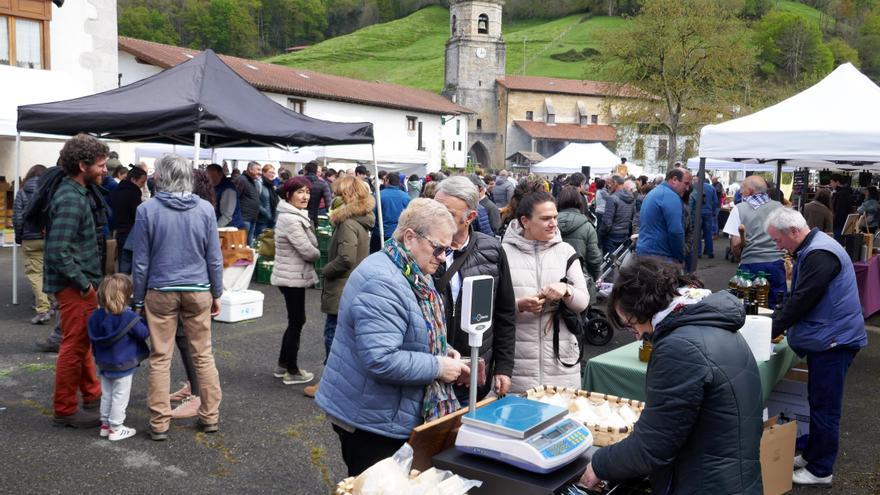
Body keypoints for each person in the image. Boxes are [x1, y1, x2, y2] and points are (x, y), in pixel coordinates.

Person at [579, 257, 763, 494]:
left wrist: (599, 464)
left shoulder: (679, 347)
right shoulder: (715, 324)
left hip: (705, 483)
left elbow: (652, 447)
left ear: (643, 307)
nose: (636, 336)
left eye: (631, 325)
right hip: (733, 477)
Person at [315, 199, 469, 476]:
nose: (443, 257)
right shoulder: (383, 281)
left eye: (448, 249)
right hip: (369, 421)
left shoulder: (407, 269)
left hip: (381, 411)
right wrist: (438, 366)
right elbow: (381, 358)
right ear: (410, 237)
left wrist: (442, 351)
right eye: (439, 248)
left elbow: (408, 332)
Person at [766, 209, 868, 487]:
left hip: (834, 341)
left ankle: (821, 470)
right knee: (819, 400)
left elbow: (802, 300)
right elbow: (801, 298)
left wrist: (769, 330)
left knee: (825, 405)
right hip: (831, 337)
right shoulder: (816, 246)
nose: (778, 246)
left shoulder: (819, 254)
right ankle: (813, 455)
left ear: (794, 232)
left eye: (778, 240)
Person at [131, 154, 224, 440]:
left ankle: (159, 422)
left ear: (161, 177)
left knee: (161, 357)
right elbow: (214, 258)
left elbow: (141, 261)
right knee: (203, 354)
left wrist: (137, 300)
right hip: (198, 290)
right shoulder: (206, 209)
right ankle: (210, 416)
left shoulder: (147, 210)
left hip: (160, 290)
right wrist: (217, 292)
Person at [44, 135, 109, 428]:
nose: (105, 170)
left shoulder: (76, 192)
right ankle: (65, 409)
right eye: (101, 165)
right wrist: (84, 285)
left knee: (82, 342)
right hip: (74, 286)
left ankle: (91, 394)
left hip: (77, 283)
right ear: (83, 165)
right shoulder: (70, 198)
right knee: (74, 347)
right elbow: (57, 250)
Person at [433, 177, 516, 403]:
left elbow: (504, 312)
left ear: (469, 217)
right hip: (431, 370)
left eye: (446, 213)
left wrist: (503, 367)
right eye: (433, 208)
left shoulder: (492, 250)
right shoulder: (420, 250)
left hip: (473, 371)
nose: (435, 217)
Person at [502, 191, 590, 393]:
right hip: (517, 360)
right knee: (521, 419)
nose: (553, 223)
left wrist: (566, 290)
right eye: (545, 219)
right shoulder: (502, 253)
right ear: (525, 221)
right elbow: (490, 306)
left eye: (555, 217)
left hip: (561, 357)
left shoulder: (566, 251)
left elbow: (583, 302)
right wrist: (519, 305)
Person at [305, 176, 377, 398]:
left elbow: (346, 258)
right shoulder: (361, 220)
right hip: (351, 285)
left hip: (342, 286)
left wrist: (325, 271)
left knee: (333, 336)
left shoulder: (347, 223)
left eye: (338, 193)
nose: (334, 197)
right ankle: (339, 382)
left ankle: (329, 383)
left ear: (347, 196)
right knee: (343, 336)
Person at [87, 274, 150, 442]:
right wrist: (144, 319)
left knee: (107, 395)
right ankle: (116, 428)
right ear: (127, 294)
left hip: (103, 363)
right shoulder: (128, 317)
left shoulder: (95, 316)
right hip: (124, 364)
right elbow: (143, 333)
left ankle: (105, 425)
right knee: (119, 397)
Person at [271, 177, 320, 386]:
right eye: (300, 192)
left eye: (307, 192)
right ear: (288, 195)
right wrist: (318, 253)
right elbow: (308, 251)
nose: (305, 196)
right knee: (297, 321)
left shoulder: (292, 214)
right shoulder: (290, 219)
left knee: (295, 320)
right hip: (292, 277)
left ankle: (283, 364)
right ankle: (292, 369)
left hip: (292, 275)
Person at [722, 175, 786, 306]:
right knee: (777, 306)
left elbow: (735, 243)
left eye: (742, 188)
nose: (740, 191)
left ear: (750, 191)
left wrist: (740, 258)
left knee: (749, 306)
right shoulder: (779, 207)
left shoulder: (739, 209)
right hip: (776, 263)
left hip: (750, 263)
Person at [13, 164, 52, 324]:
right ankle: (52, 303)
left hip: (30, 239)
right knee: (50, 272)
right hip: (50, 238)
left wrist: (19, 237)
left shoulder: (22, 193)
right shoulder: (50, 192)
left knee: (35, 274)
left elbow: (18, 218)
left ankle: (43, 309)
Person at [636, 168, 690, 264]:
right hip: (660, 257)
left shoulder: (655, 192)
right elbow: (675, 232)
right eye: (686, 183)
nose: (687, 188)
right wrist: (680, 256)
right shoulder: (670, 196)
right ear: (674, 180)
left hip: (645, 252)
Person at [557, 186, 602, 285]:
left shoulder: (549, 223)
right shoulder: (587, 226)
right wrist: (595, 276)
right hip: (579, 278)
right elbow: (593, 258)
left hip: (553, 278)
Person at [108, 166, 147, 274]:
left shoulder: (117, 190)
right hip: (130, 233)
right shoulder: (133, 193)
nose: (143, 185)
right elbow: (137, 215)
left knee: (122, 266)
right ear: (133, 180)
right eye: (142, 182)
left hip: (119, 232)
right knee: (128, 267)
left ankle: (121, 288)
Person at [370, 171, 411, 253]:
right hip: (397, 234)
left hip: (380, 233)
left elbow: (372, 215)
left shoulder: (379, 195)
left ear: (387, 181)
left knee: (376, 258)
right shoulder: (406, 196)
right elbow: (409, 217)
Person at [600, 175, 637, 254]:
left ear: (615, 183)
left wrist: (601, 234)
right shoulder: (631, 198)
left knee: (609, 263)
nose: (608, 186)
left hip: (612, 235)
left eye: (610, 184)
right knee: (619, 262)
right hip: (625, 234)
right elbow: (633, 217)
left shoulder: (612, 198)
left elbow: (607, 222)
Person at [206, 163, 245, 230]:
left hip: (231, 229)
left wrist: (214, 229)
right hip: (224, 226)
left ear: (220, 174)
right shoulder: (213, 186)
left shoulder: (228, 189)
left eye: (212, 175)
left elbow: (227, 216)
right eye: (208, 176)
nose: (210, 178)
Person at [689, 175, 719, 258]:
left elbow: (691, 200)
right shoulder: (711, 188)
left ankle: (697, 253)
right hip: (708, 212)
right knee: (708, 233)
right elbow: (715, 201)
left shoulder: (695, 186)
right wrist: (712, 211)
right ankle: (710, 252)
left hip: (697, 213)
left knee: (697, 233)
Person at [236, 161, 262, 245]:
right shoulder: (242, 180)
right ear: (250, 169)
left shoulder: (253, 181)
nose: (260, 172)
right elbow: (235, 197)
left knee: (249, 244)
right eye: (258, 170)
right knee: (242, 243)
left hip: (252, 218)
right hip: (244, 218)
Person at [303, 161, 332, 228]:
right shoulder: (322, 183)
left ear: (305, 170)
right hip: (315, 215)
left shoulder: (298, 181)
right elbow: (328, 203)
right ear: (316, 171)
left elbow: (280, 190)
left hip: (299, 214)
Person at [830, 174, 855, 243]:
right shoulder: (847, 192)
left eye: (831, 182)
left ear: (837, 182)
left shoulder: (841, 194)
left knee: (837, 244)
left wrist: (833, 224)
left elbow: (839, 212)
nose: (830, 184)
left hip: (839, 225)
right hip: (846, 224)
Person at [256, 164, 279, 235]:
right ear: (264, 172)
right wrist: (265, 212)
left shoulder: (272, 186)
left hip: (273, 219)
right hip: (262, 219)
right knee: (261, 241)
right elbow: (256, 201)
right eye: (270, 172)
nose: (272, 175)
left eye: (273, 173)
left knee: (270, 242)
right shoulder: (259, 184)